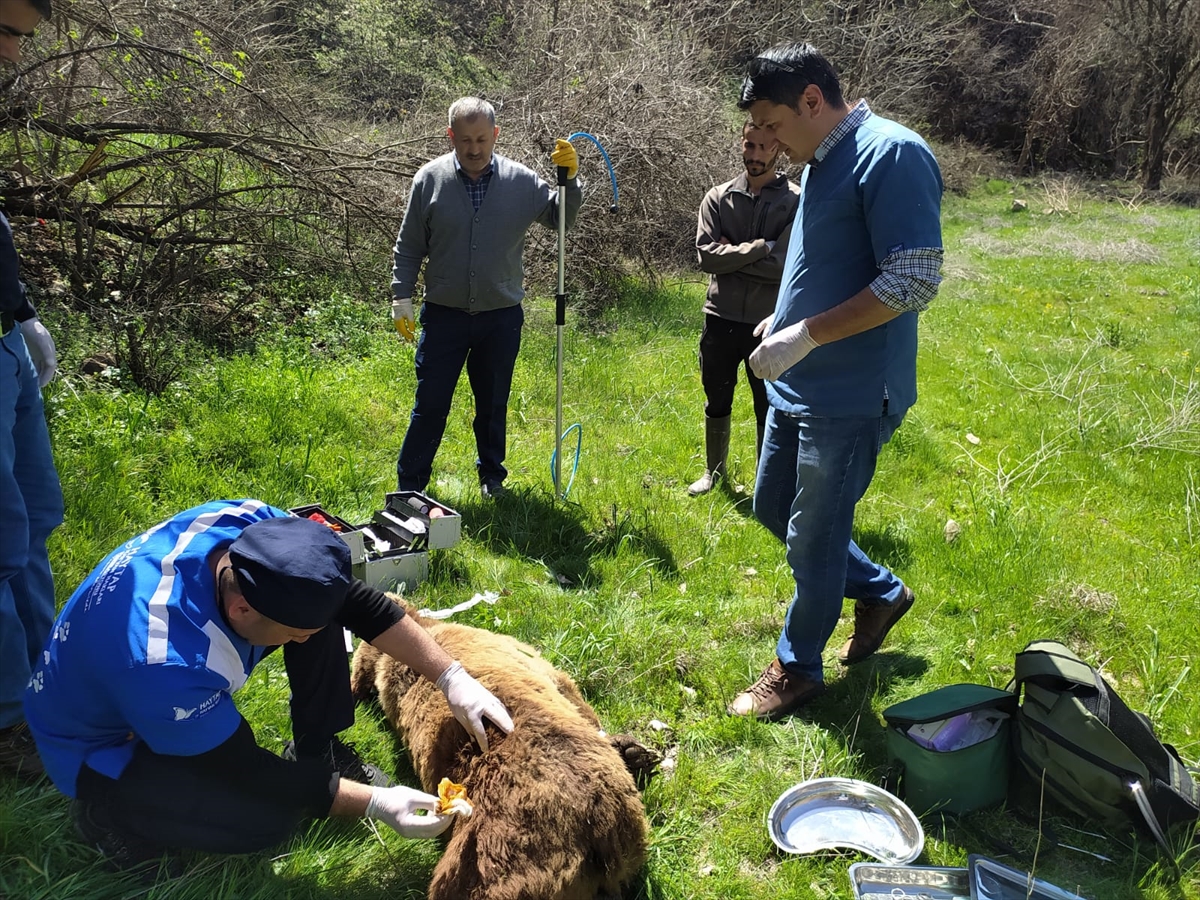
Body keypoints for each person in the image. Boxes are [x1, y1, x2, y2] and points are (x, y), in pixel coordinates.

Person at [23, 503, 515, 871]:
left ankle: (319, 750)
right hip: (100, 744)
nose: (310, 637)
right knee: (265, 819)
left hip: (143, 683)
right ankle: (112, 814)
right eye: (294, 631)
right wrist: (375, 804)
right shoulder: (165, 665)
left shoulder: (252, 530)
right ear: (241, 611)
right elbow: (244, 769)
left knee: (319, 614)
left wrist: (453, 678)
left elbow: (352, 602)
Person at [727, 43, 944, 720]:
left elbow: (912, 279)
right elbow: (827, 258)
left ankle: (797, 667)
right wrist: (782, 319)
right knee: (773, 509)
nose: (767, 140)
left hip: (849, 391)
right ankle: (881, 590)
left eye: (774, 123)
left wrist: (808, 333)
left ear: (813, 101)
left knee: (815, 535)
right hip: (799, 380)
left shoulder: (892, 153)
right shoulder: (819, 160)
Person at [391, 97, 582, 500]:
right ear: (451, 137)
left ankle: (492, 478)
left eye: (481, 139)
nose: (474, 149)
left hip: (501, 316)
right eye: (464, 140)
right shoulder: (429, 180)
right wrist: (401, 297)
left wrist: (570, 180)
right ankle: (410, 487)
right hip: (444, 315)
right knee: (430, 404)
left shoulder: (522, 182)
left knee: (493, 405)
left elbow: (561, 219)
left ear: (495, 135)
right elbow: (408, 246)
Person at [0, 0, 64, 783]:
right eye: (5, 30)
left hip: (7, 341)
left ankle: (48, 674)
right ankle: (10, 719)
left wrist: (22, 314)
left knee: (36, 513)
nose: (13, 55)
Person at [689, 122, 799, 496]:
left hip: (768, 324)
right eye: (749, 145)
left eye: (763, 148)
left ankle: (765, 485)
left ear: (778, 148)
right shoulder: (718, 198)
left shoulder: (795, 201)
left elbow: (784, 266)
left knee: (766, 404)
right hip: (719, 317)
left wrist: (732, 253)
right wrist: (762, 247)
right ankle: (713, 474)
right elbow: (706, 257)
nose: (754, 155)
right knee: (716, 397)